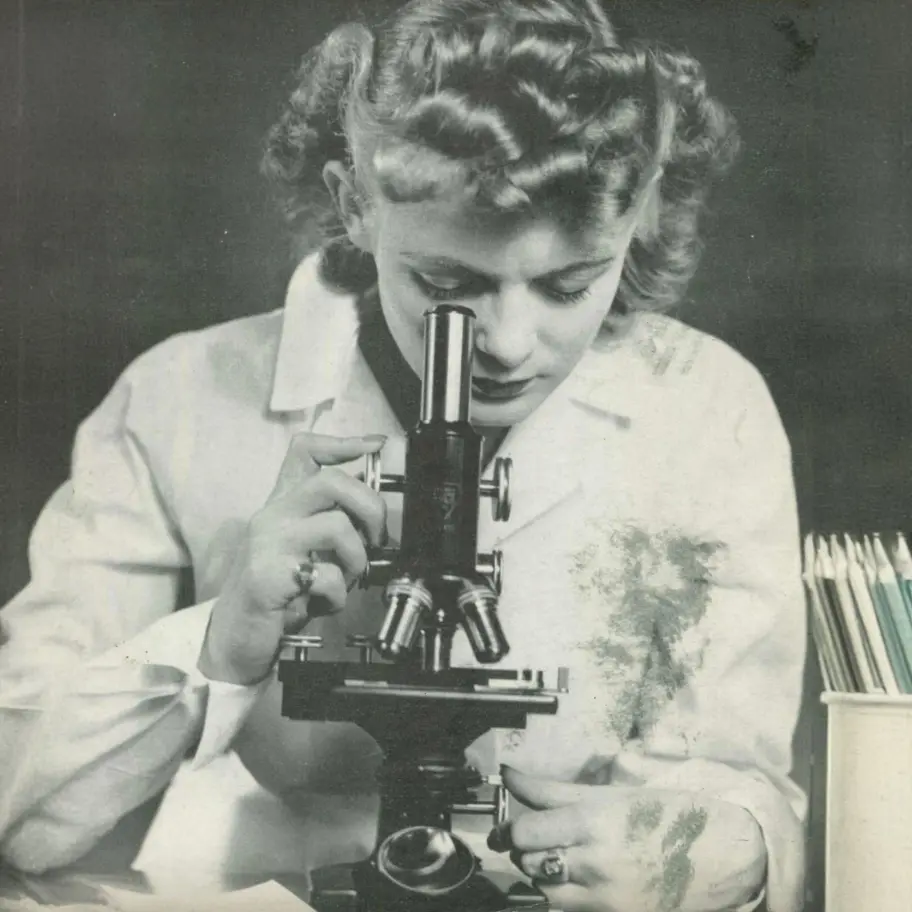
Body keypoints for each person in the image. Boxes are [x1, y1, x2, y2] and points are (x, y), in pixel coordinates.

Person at [0, 1, 807, 910]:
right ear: (356, 206)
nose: (506, 341)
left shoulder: (705, 409)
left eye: (570, 283)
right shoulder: (176, 400)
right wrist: (217, 643)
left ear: (640, 216)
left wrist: (716, 848)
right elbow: (22, 819)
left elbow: (742, 790)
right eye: (448, 283)